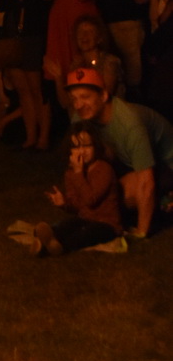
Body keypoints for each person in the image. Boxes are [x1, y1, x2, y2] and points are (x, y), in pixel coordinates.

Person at [65, 66, 173, 239]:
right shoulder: (80, 119)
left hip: (165, 165)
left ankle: (163, 205)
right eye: (74, 98)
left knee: (118, 192)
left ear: (103, 96)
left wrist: (141, 231)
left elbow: (146, 180)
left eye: (85, 97)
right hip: (127, 163)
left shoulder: (129, 124)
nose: (78, 105)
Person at [15, 128, 125, 257]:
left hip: (107, 224)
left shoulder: (104, 169)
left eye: (87, 146)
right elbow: (78, 206)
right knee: (65, 225)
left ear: (95, 146)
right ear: (70, 150)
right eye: (76, 147)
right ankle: (47, 236)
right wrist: (64, 203)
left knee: (84, 234)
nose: (82, 151)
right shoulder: (70, 173)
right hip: (84, 219)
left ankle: (51, 248)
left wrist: (79, 173)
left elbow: (91, 199)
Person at [0, 0, 51, 149]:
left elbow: (31, 2)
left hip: (32, 35)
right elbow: (1, 4)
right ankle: (30, 137)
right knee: (23, 91)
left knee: (37, 90)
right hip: (13, 35)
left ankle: (43, 137)